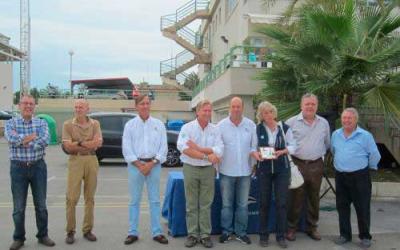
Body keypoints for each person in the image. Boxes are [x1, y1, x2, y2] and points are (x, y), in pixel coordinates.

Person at [5, 94, 55, 250]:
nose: (28, 106)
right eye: (25, 103)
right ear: (19, 105)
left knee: (41, 205)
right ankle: (19, 238)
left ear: (35, 106)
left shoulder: (41, 123)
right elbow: (11, 139)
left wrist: (24, 141)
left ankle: (43, 235)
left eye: (31, 104)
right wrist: (31, 138)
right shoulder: (11, 122)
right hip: (18, 168)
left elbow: (45, 140)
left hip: (38, 167)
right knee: (18, 207)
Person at [122, 95, 169, 245]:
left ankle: (157, 232)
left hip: (154, 166)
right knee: (134, 201)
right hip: (135, 167)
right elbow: (127, 148)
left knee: (154, 200)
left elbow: (164, 148)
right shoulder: (130, 125)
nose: (145, 106)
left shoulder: (159, 125)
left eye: (147, 103)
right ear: (136, 106)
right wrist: (139, 164)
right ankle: (132, 232)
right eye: (142, 104)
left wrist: (152, 163)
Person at [331, 108, 381, 249]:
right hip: (340, 176)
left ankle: (365, 236)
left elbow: (375, 155)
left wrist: (366, 168)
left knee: (362, 207)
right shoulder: (335, 134)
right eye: (344, 118)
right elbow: (333, 151)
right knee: (342, 207)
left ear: (356, 120)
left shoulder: (365, 136)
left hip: (360, 177)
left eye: (350, 118)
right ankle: (345, 235)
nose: (346, 120)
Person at [177, 100, 223, 248]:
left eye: (210, 111)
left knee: (206, 204)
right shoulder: (187, 128)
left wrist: (199, 148)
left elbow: (219, 150)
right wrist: (207, 154)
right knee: (191, 204)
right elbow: (184, 149)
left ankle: (205, 235)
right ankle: (192, 234)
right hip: (190, 167)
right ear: (197, 112)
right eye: (205, 111)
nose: (208, 113)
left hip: (208, 170)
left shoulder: (215, 129)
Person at [286, 93, 330, 241]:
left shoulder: (324, 123)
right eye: (307, 104)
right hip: (297, 164)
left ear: (317, 106)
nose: (310, 106)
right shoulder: (291, 123)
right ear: (301, 105)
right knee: (295, 198)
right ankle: (292, 228)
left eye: (313, 104)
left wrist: (321, 159)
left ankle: (312, 228)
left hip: (316, 165)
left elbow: (327, 143)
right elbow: (285, 145)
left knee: (314, 198)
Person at [216, 97, 258, 245]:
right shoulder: (220, 126)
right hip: (226, 172)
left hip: (245, 172)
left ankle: (241, 232)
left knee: (242, 205)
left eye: (238, 106)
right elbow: (217, 148)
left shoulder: (251, 125)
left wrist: (254, 163)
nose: (236, 109)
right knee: (226, 205)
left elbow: (254, 147)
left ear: (242, 108)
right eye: (233, 106)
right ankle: (226, 232)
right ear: (229, 107)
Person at [255, 101, 296, 248]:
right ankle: (263, 235)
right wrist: (257, 154)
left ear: (274, 112)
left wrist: (283, 151)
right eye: (265, 113)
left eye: (270, 112)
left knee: (282, 204)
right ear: (261, 115)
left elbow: (293, 146)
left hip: (282, 170)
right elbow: (253, 148)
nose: (268, 115)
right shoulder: (258, 129)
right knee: (264, 203)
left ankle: (280, 236)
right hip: (264, 170)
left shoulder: (284, 127)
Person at [62, 99, 103, 244]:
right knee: (72, 198)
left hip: (92, 160)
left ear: (87, 109)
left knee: (90, 198)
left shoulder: (95, 124)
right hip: (75, 161)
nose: (78, 109)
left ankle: (87, 229)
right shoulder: (67, 125)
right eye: (76, 107)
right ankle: (70, 231)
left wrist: (77, 144)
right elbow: (68, 147)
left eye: (81, 107)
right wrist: (84, 144)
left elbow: (98, 143)